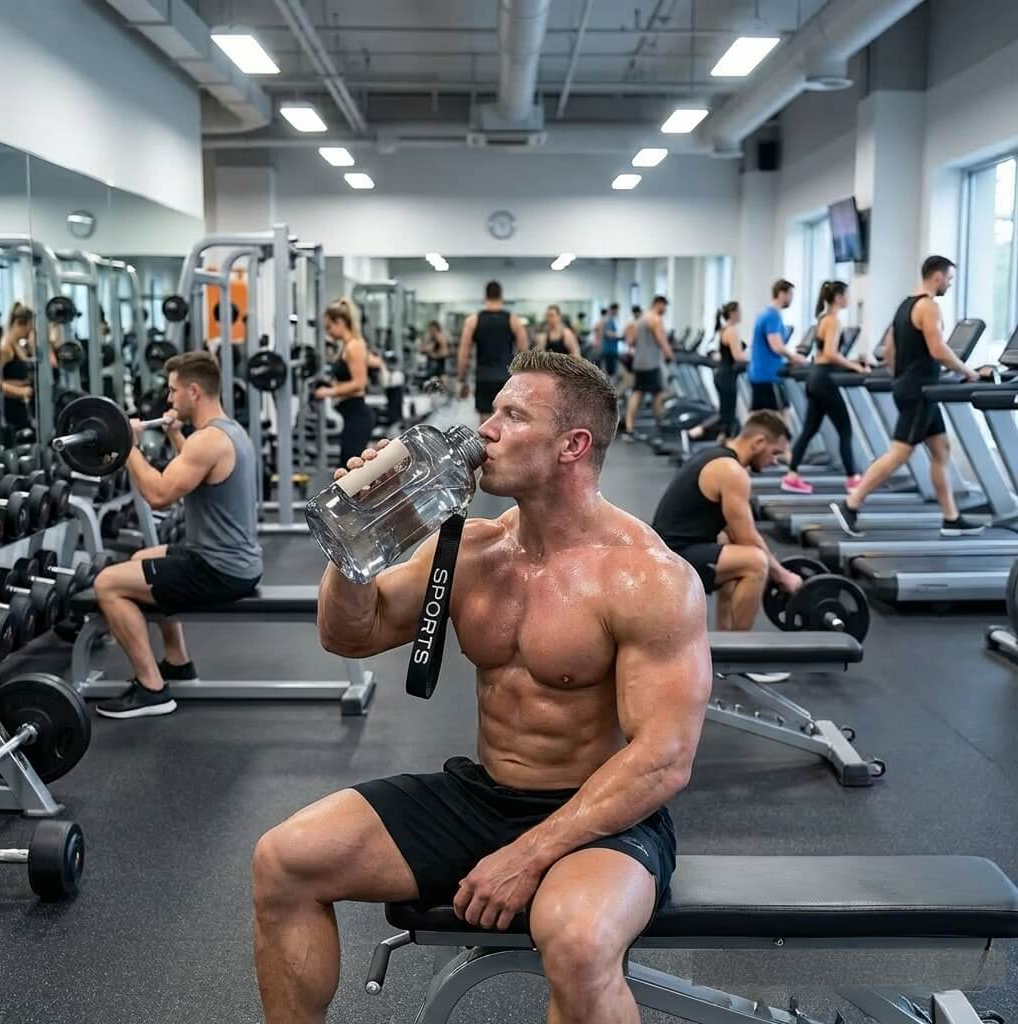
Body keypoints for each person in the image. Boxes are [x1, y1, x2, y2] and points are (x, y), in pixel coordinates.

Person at [253, 350, 713, 1024]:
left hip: (601, 817)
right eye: (492, 410)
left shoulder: (647, 578)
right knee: (283, 860)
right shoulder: (473, 547)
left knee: (580, 946)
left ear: (571, 446)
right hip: (483, 796)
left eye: (512, 415)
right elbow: (353, 634)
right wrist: (353, 542)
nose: (486, 429)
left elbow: (664, 758)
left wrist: (527, 855)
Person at [93, 352, 263, 720]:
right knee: (143, 559)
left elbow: (158, 493)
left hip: (220, 569)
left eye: (173, 391)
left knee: (107, 583)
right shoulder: (227, 432)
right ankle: (177, 661)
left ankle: (152, 689)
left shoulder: (209, 442)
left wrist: (128, 446)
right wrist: (174, 433)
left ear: (194, 391)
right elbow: (197, 470)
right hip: (231, 558)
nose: (168, 400)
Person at [830, 255, 985, 537]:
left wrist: (900, 375)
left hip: (916, 387)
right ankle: (851, 504)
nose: (949, 284)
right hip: (921, 391)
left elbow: (889, 350)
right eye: (949, 278)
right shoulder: (929, 306)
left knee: (941, 450)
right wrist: (968, 371)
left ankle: (951, 518)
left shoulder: (905, 305)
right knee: (899, 453)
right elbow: (938, 350)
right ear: (937, 276)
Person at [652, 411, 803, 634]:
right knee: (755, 563)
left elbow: (734, 532)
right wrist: (783, 575)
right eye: (775, 453)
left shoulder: (716, 456)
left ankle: (724, 645)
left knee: (733, 548)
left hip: (665, 552)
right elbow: (749, 537)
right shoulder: (732, 471)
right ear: (759, 442)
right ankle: (742, 655)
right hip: (672, 558)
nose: (774, 462)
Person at [781, 281, 868, 494]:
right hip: (824, 380)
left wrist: (853, 363)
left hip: (815, 377)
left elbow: (824, 354)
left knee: (810, 430)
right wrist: (856, 367)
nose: (848, 299)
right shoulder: (834, 321)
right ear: (838, 297)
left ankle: (791, 475)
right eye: (846, 295)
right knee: (845, 430)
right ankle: (853, 478)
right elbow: (830, 353)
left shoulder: (822, 319)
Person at [313, 299, 375, 469]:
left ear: (339, 322)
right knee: (346, 468)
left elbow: (359, 383)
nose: (328, 332)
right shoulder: (346, 346)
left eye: (329, 327)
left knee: (351, 471)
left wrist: (329, 392)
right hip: (349, 414)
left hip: (357, 415)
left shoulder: (354, 346)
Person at [456, 280, 530, 415]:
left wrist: (462, 379)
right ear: (501, 296)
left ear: (485, 296)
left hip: (483, 378)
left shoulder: (473, 320)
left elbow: (463, 354)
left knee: (485, 422)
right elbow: (524, 351)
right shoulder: (513, 320)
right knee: (507, 421)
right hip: (506, 379)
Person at [749, 279, 804, 412]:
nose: (791, 299)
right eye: (790, 295)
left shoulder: (764, 314)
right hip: (768, 375)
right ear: (781, 294)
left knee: (760, 418)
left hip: (760, 373)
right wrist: (794, 357)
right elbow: (776, 346)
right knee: (779, 417)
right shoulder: (773, 316)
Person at [623, 295, 674, 438]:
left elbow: (631, 341)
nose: (665, 310)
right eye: (664, 306)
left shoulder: (641, 319)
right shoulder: (656, 319)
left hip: (640, 362)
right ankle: (661, 425)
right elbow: (661, 340)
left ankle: (629, 426)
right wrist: (670, 354)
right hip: (651, 363)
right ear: (658, 304)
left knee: (638, 392)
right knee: (657, 394)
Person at [0, 302, 35, 445]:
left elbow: (6, 376)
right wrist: (19, 391)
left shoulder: (16, 344)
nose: (29, 332)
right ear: (19, 323)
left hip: (21, 408)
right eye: (28, 327)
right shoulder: (6, 347)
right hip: (10, 410)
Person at [712, 301, 747, 442]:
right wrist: (755, 359)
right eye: (739, 311)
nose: (741, 314)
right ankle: (724, 448)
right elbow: (738, 356)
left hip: (723, 375)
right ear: (733, 314)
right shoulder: (731, 331)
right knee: (728, 417)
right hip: (727, 376)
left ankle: (722, 446)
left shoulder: (725, 329)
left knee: (726, 415)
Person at [419, 319, 449, 385]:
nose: (431, 330)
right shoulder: (429, 337)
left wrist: (435, 355)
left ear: (436, 328)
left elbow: (445, 352)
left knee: (439, 379)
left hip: (438, 363)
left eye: (432, 329)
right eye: (430, 329)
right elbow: (422, 348)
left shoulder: (440, 337)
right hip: (431, 363)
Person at [601, 302, 622, 379]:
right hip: (609, 350)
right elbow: (607, 333)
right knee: (610, 373)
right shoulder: (608, 319)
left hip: (612, 349)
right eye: (617, 310)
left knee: (612, 371)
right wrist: (618, 335)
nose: (618, 312)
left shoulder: (612, 320)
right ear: (614, 310)